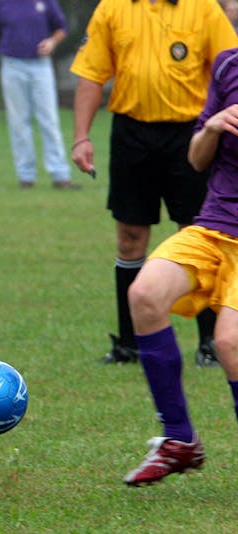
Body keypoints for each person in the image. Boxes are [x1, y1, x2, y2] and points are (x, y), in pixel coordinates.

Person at [69, 0, 238, 366]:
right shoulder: (112, 9)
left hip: (192, 134)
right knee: (130, 238)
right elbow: (91, 74)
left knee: (200, 233)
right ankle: (129, 344)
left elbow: (230, 67)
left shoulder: (204, 8)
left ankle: (210, 342)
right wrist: (81, 137)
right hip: (132, 133)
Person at [122, 47, 238, 486]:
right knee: (144, 294)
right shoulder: (228, 64)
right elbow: (195, 159)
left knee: (229, 342)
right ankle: (179, 440)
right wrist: (212, 124)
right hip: (213, 227)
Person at [0, 0, 77, 190]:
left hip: (41, 66)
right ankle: (25, 176)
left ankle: (60, 175)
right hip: (12, 64)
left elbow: (61, 28)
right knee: (18, 122)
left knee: (49, 119)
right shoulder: (0, 4)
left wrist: (52, 41)